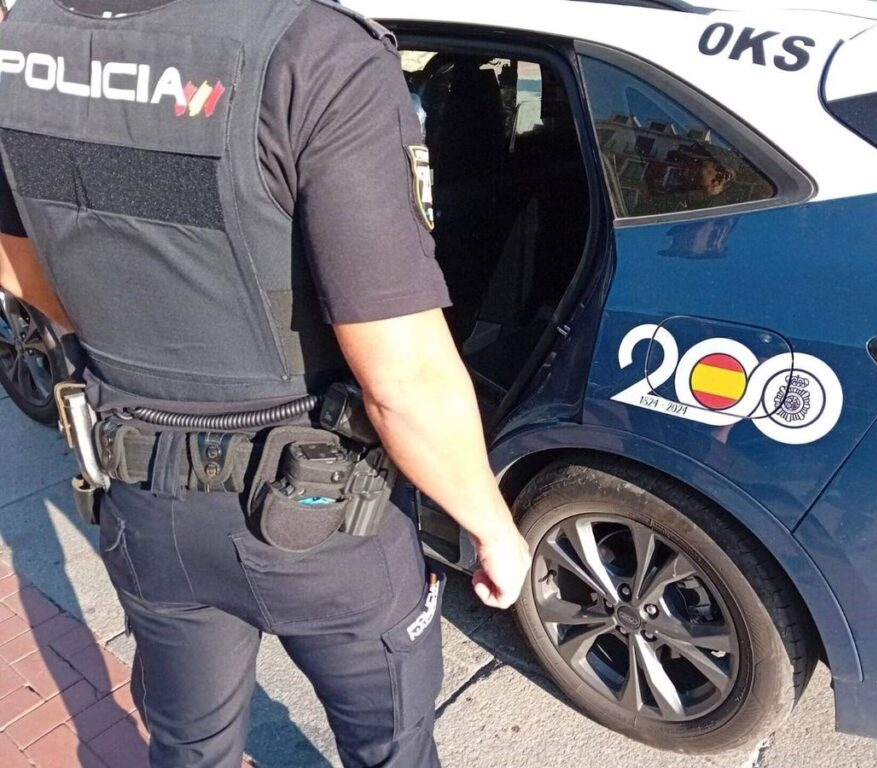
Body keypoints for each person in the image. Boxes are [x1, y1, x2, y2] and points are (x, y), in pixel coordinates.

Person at [0, 1, 531, 766]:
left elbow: (21, 271)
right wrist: (493, 527)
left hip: (143, 496)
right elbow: (403, 378)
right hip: (323, 517)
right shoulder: (316, 53)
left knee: (189, 748)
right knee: (392, 749)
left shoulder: (22, 45)